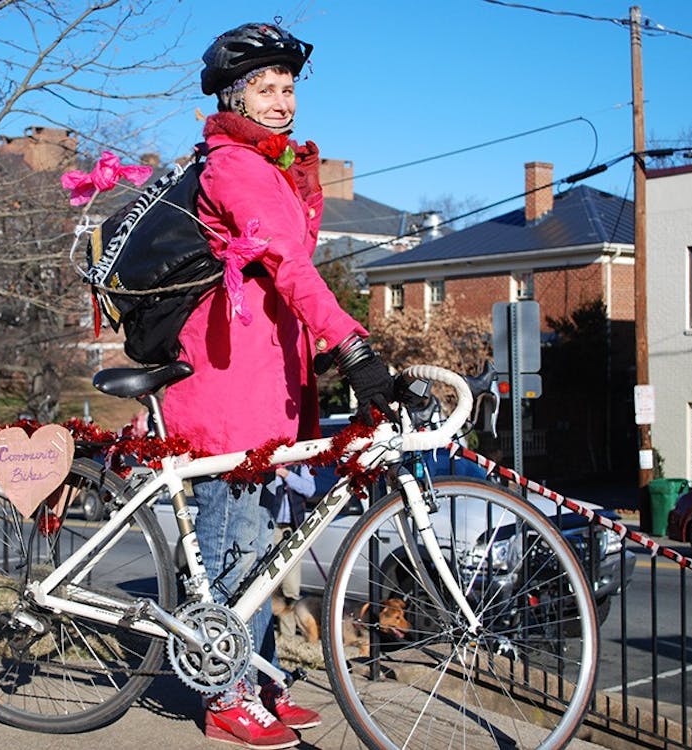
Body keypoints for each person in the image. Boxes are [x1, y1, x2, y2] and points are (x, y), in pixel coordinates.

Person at [161, 21, 395, 750]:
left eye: (288, 87)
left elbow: (285, 274)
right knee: (231, 545)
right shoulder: (233, 167)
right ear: (234, 96)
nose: (282, 100)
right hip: (227, 386)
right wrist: (351, 345)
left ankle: (255, 674)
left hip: (267, 382)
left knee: (261, 547)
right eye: (265, 88)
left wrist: (321, 354)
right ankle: (224, 694)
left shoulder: (270, 166)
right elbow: (290, 267)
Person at [267, 464, 316, 638]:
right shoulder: (269, 463)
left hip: (293, 529)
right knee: (268, 583)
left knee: (291, 586)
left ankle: (287, 635)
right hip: (270, 527)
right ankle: (267, 633)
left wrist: (286, 475)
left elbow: (309, 490)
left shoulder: (302, 466)